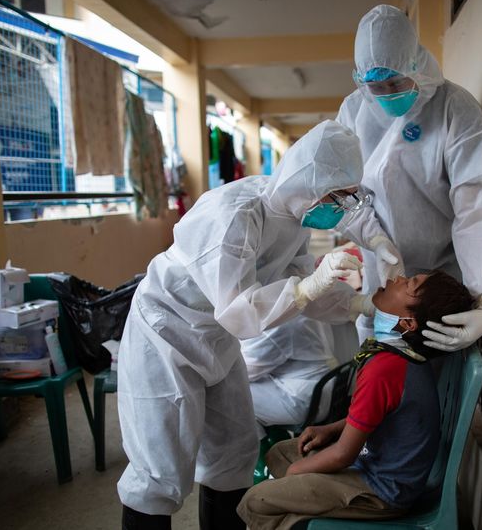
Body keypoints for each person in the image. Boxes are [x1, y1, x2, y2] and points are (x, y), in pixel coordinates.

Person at [117, 120, 376, 530]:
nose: (338, 209)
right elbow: (239, 311)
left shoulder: (292, 220)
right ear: (308, 183)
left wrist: (361, 302)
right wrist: (307, 287)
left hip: (216, 340)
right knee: (159, 469)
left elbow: (304, 287)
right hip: (166, 333)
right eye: (335, 197)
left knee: (234, 453)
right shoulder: (234, 215)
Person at [236, 270, 475, 530]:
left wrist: (296, 475)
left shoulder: (385, 368)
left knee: (256, 501)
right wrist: (330, 429)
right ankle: (298, 509)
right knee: (282, 452)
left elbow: (343, 455)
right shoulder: (401, 355)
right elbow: (378, 416)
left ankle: (296, 514)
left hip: (382, 491)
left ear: (408, 323)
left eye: (409, 284)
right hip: (378, 464)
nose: (397, 279)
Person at [335, 5, 482, 352]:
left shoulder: (454, 110)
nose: (385, 94)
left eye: (394, 82)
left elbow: (473, 208)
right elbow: (343, 195)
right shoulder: (353, 112)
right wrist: (378, 242)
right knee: (374, 363)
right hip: (381, 271)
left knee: (430, 362)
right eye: (375, 86)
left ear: (415, 62)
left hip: (439, 277)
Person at [240, 314, 338, 439]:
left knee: (230, 391)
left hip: (303, 401)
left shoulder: (278, 325)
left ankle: (262, 450)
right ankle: (277, 438)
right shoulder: (302, 309)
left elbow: (245, 371)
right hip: (326, 388)